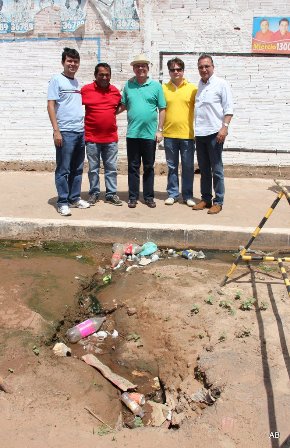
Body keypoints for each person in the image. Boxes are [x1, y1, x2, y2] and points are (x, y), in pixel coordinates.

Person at [118, 54, 166, 208]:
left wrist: (160, 130)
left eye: (143, 65)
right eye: (137, 65)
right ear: (133, 68)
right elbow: (123, 105)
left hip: (149, 135)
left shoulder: (156, 86)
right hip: (132, 134)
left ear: (148, 68)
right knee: (132, 167)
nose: (140, 68)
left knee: (148, 167)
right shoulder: (128, 85)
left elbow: (162, 108)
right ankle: (132, 197)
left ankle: (148, 197)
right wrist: (105, 111)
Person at [47, 47, 90, 216]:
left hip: (80, 131)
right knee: (63, 169)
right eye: (69, 61)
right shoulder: (56, 80)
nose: (73, 64)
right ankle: (62, 201)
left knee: (77, 168)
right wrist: (56, 131)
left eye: (75, 61)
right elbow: (51, 105)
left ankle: (74, 197)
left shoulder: (76, 82)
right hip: (64, 132)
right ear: (63, 62)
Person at [193, 54, 233, 215]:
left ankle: (218, 201)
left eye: (206, 66)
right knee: (204, 169)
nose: (204, 69)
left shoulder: (221, 84)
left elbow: (229, 109)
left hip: (215, 134)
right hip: (200, 133)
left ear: (212, 67)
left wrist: (225, 127)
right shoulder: (200, 85)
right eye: (201, 67)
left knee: (216, 169)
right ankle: (206, 199)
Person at [81, 63, 122, 206]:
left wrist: (110, 113)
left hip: (110, 138)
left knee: (111, 168)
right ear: (95, 75)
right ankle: (94, 193)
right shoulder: (86, 90)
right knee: (93, 168)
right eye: (101, 74)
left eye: (107, 74)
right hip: (92, 137)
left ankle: (111, 194)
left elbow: (122, 105)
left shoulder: (115, 91)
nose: (104, 77)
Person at [162, 57, 197, 207]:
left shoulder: (192, 89)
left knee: (188, 166)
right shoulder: (163, 88)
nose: (176, 72)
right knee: (172, 167)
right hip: (169, 134)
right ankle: (173, 194)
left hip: (187, 135)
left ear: (183, 71)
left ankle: (187, 195)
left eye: (179, 69)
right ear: (169, 72)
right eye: (173, 69)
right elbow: (160, 109)